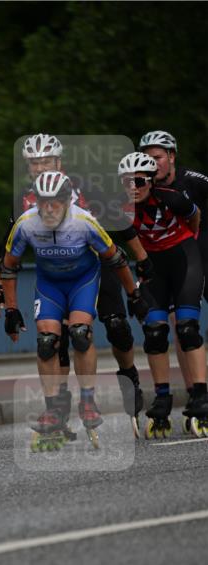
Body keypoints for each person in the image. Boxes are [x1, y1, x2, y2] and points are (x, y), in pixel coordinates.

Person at [0, 134, 153, 424]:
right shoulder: (25, 199)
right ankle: (60, 402)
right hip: (55, 271)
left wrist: (142, 261)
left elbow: (121, 225)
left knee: (116, 325)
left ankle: (129, 375)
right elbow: (10, 248)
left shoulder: (83, 188)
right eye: (33, 163)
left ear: (59, 161)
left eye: (46, 161)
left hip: (97, 263)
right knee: (59, 337)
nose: (40, 168)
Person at [117, 151, 206, 438]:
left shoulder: (173, 197)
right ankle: (163, 398)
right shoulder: (121, 211)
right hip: (153, 268)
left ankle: (201, 397)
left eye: (140, 181)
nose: (134, 186)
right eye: (127, 181)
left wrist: (184, 244)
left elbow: (196, 220)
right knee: (154, 333)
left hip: (184, 260)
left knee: (187, 329)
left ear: (152, 181)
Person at [138, 130, 208, 429]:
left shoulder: (193, 181)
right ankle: (195, 395)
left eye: (158, 158)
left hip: (199, 250)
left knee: (187, 327)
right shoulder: (140, 190)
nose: (153, 165)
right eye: (148, 160)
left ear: (172, 157)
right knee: (177, 329)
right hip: (167, 260)